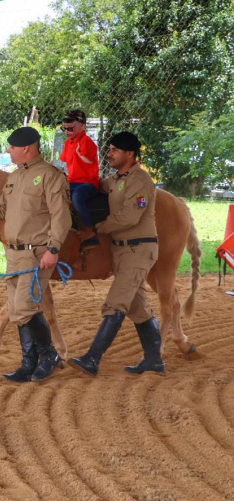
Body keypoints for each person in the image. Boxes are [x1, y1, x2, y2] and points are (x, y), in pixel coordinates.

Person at [0, 127, 72, 382]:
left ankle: (48, 355)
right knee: (18, 310)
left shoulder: (50, 176)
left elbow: (61, 216)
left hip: (37, 253)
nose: (8, 151)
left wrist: (53, 249)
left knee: (25, 309)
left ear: (26, 148)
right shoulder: (14, 178)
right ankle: (29, 362)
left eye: (12, 147)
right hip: (14, 253)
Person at [68, 131, 165, 376]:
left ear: (130, 154)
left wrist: (96, 228)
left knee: (115, 304)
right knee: (138, 307)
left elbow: (131, 216)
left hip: (138, 249)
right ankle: (154, 360)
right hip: (121, 251)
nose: (108, 153)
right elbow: (95, 185)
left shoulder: (141, 181)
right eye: (109, 149)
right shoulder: (115, 179)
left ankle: (92, 359)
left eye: (114, 150)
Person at [59, 110, 101, 249]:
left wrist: (80, 154)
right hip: (72, 181)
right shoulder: (68, 143)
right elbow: (64, 160)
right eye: (64, 128)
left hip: (87, 183)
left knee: (77, 197)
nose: (67, 131)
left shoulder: (86, 141)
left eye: (70, 128)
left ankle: (90, 231)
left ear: (81, 126)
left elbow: (89, 161)